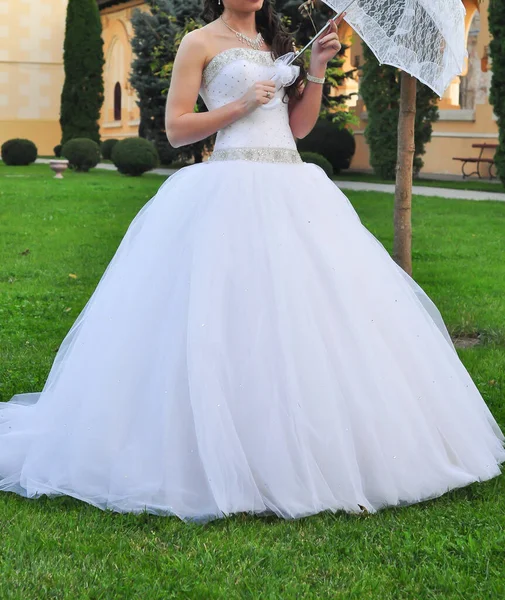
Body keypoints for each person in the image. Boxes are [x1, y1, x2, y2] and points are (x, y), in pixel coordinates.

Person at [1, 0, 504, 523]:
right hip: (229, 186)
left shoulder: (279, 44)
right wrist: (238, 106)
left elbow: (300, 128)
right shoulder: (198, 42)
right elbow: (176, 129)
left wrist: (314, 71)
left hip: (292, 186)